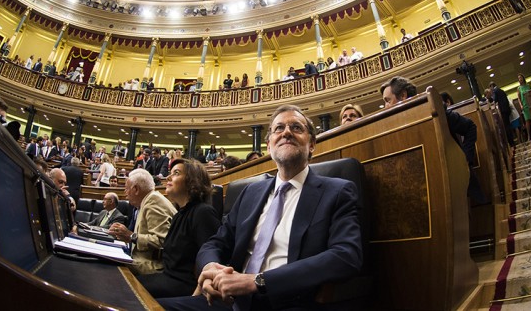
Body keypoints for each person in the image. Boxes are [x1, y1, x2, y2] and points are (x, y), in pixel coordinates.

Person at [159, 105, 362, 310]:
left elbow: (346, 255)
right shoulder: (250, 193)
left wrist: (257, 281)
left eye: (297, 128)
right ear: (269, 146)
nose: (287, 132)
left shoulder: (337, 191)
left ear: (311, 144)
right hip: (230, 301)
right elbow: (215, 243)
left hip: (287, 302)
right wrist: (211, 267)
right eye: (279, 128)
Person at [137, 159, 221, 298]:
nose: (168, 177)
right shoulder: (179, 215)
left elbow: (213, 260)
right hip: (167, 278)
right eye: (170, 173)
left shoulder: (203, 213)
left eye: (176, 173)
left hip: (185, 287)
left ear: (193, 181)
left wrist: (192, 300)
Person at [108, 169, 178, 275]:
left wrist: (131, 236)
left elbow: (161, 241)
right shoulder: (146, 201)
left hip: (153, 267)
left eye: (126, 189)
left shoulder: (153, 201)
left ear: (136, 189)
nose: (125, 193)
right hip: (142, 261)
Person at [489, 81, 515, 146]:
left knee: (506, 127)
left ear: (492, 86)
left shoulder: (495, 91)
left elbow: (495, 100)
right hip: (507, 109)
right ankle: (512, 141)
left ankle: (511, 142)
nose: (491, 90)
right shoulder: (501, 90)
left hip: (503, 111)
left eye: (490, 88)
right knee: (508, 125)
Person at [517, 74, 531, 141]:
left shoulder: (528, 86)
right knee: (527, 121)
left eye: (520, 77)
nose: (519, 79)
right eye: (518, 78)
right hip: (524, 105)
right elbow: (518, 98)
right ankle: (529, 136)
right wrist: (521, 105)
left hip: (530, 104)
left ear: (523, 78)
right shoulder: (519, 88)